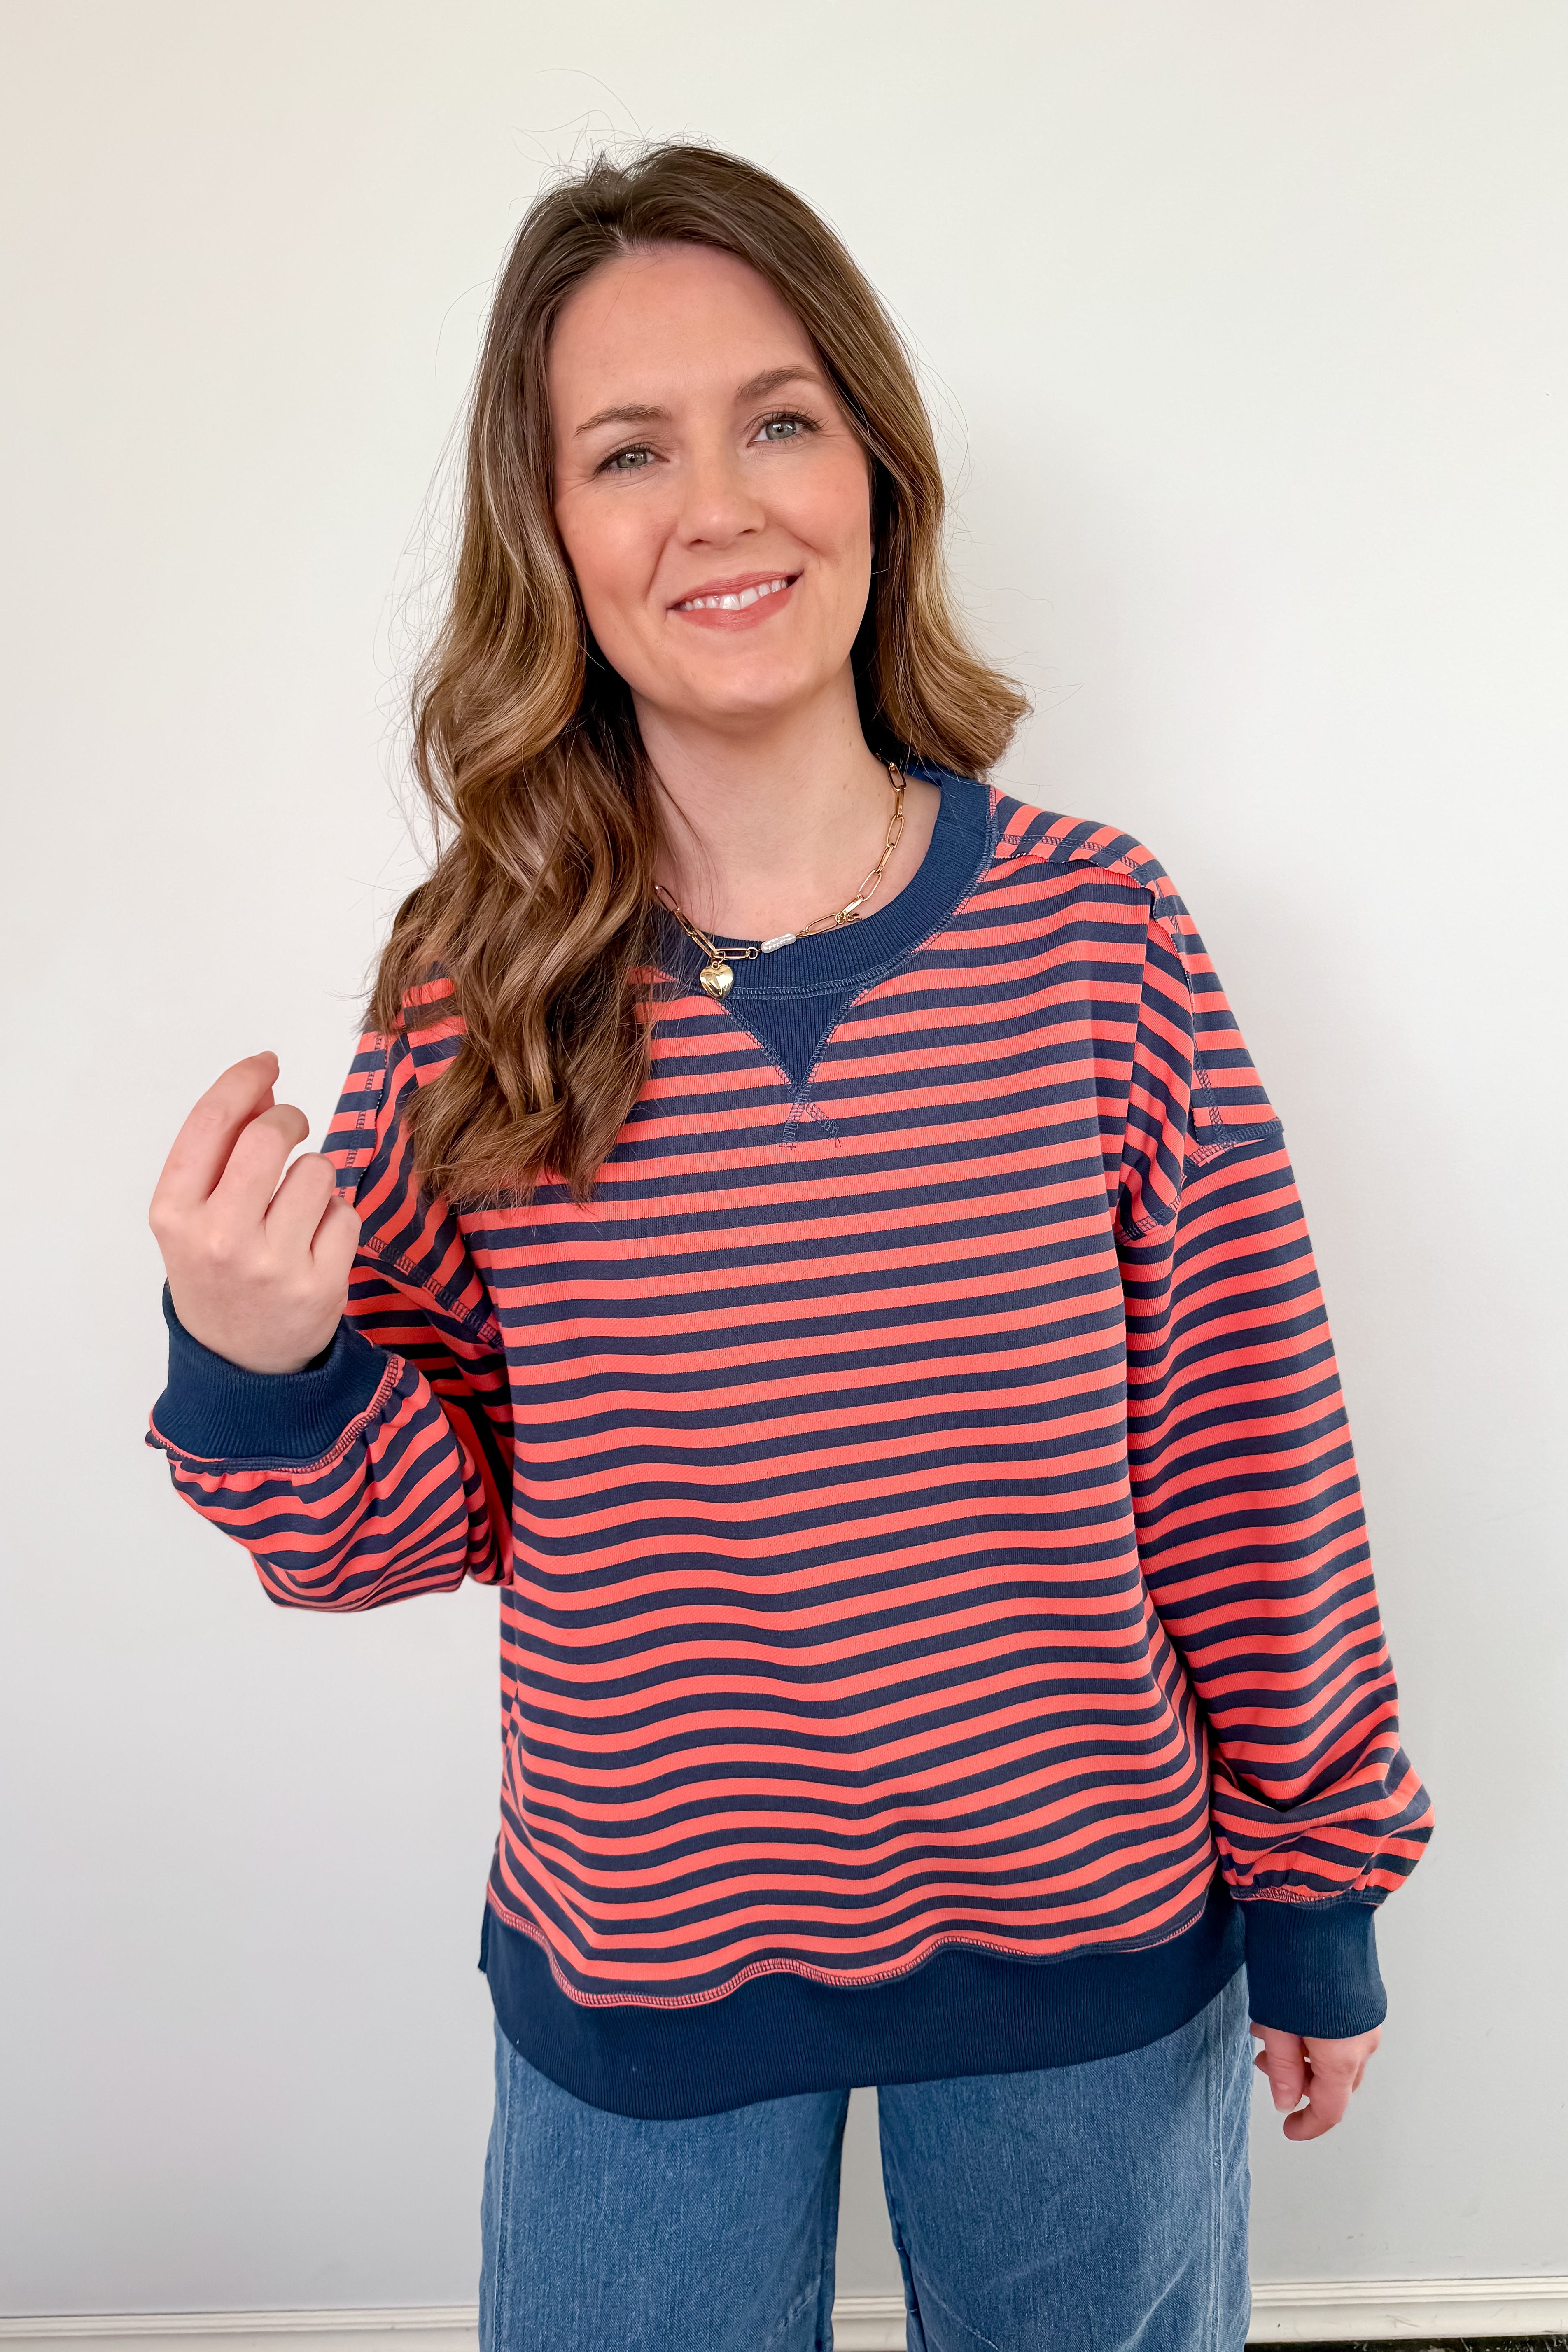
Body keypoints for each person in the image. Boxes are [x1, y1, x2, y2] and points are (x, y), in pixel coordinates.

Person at [146, 143, 1433, 2352]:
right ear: (551, 532)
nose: (719, 507)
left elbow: (1250, 1459)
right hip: (641, 1961)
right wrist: (262, 1358)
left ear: (874, 469)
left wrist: (1318, 1889)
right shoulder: (479, 984)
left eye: (778, 419)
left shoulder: (1099, 936)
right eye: (629, 451)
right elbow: (413, 1526)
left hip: (1087, 1942)